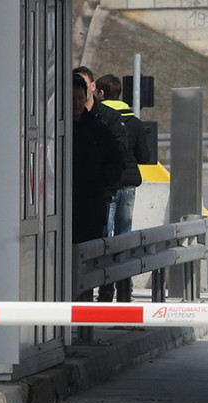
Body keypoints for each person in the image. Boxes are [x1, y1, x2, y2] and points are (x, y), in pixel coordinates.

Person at [73, 66, 128, 301]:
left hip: (89, 209)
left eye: (79, 98)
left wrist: (100, 183)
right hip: (57, 213)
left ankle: (84, 316)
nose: (76, 103)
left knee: (86, 264)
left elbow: (118, 162)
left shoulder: (98, 129)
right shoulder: (53, 130)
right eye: (71, 98)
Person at [95, 74, 151, 302]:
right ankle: (125, 290)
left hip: (107, 186)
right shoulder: (135, 122)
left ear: (101, 93)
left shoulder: (98, 118)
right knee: (124, 237)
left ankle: (106, 289)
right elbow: (145, 156)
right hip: (128, 185)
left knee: (105, 237)